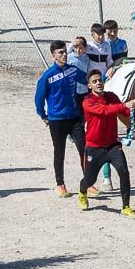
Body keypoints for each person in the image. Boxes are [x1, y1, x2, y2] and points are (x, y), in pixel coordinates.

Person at [77, 69, 135, 217]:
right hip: (94, 147)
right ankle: (82, 191)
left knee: (124, 172)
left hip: (112, 145)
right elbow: (105, 110)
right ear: (89, 86)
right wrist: (125, 105)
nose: (98, 83)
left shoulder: (112, 96)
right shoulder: (88, 101)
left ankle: (126, 206)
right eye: (94, 81)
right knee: (90, 179)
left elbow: (123, 112)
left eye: (100, 80)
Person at [35, 40, 90, 198]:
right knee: (60, 152)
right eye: (61, 52)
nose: (64, 54)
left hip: (74, 118)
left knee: (84, 149)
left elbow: (88, 80)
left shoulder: (73, 70)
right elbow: (39, 99)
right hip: (56, 120)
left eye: (66, 51)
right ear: (53, 55)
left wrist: (104, 77)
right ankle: (60, 184)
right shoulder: (48, 76)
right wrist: (43, 116)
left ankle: (88, 182)